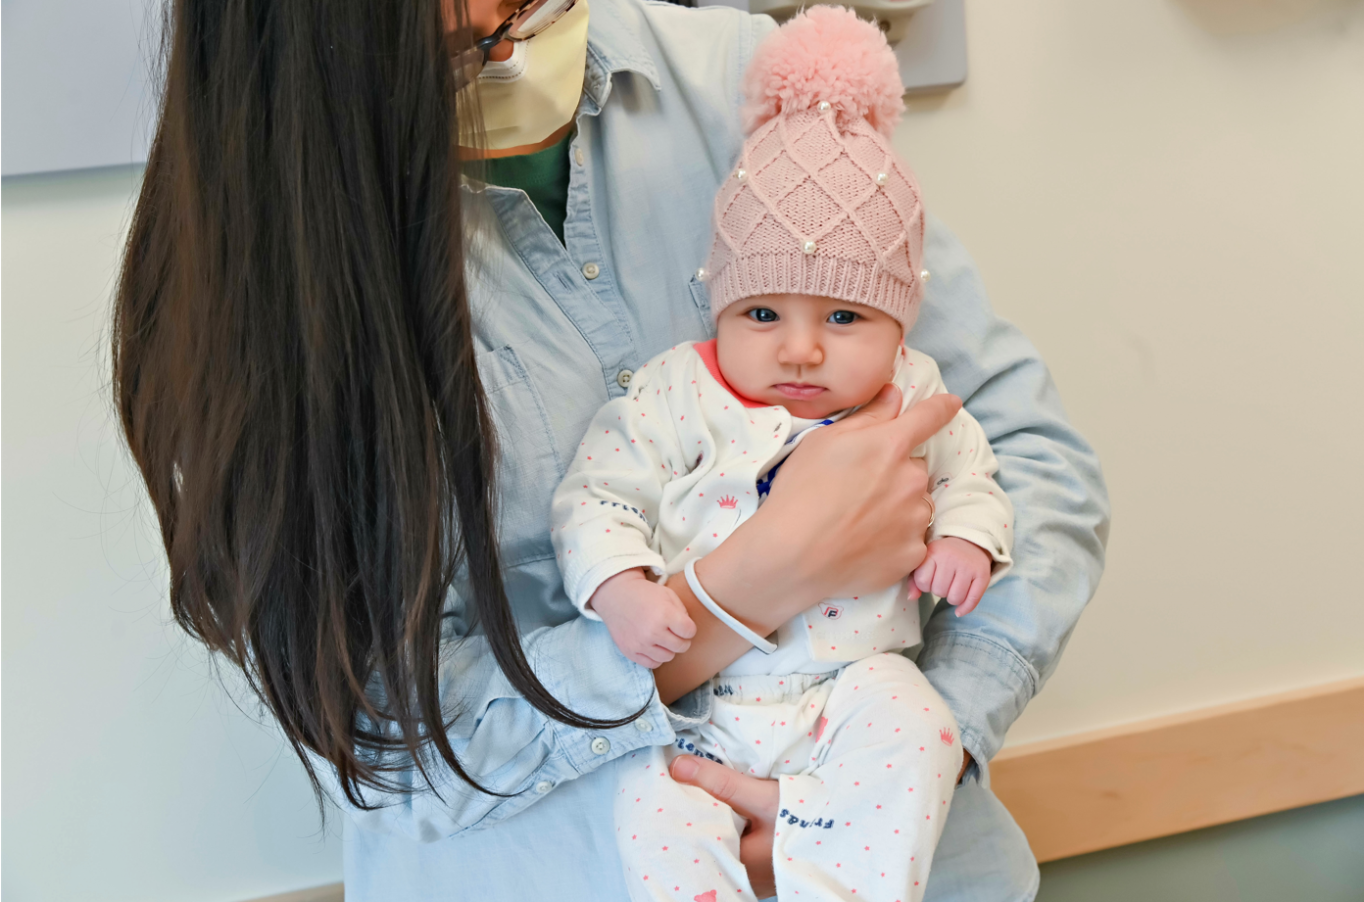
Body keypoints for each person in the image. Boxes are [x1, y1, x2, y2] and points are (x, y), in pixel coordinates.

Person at [110, 0, 1109, 899]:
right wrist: (732, 596)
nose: (504, 20)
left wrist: (885, 778)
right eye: (464, 28)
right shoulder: (262, 269)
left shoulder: (746, 86)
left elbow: (1023, 452)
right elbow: (392, 731)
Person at [550, 14, 1015, 900]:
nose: (799, 351)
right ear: (720, 305)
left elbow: (973, 476)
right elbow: (596, 500)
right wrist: (619, 590)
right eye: (762, 315)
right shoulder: (674, 392)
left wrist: (967, 542)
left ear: (899, 322)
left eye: (843, 319)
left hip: (855, 685)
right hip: (699, 711)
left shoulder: (917, 394)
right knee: (651, 809)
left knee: (921, 728)